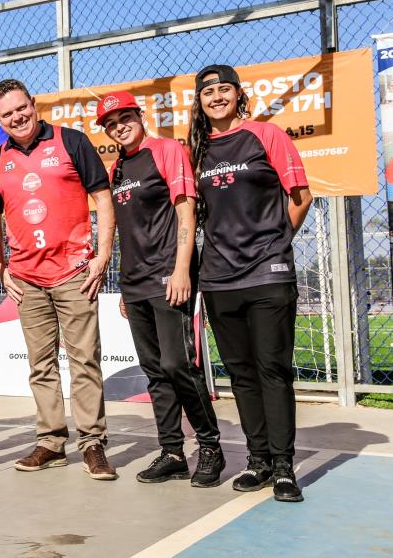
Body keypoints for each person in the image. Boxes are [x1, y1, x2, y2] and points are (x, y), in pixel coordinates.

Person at [0, 79, 117, 481]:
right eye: (7, 114)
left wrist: (103, 256)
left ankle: (92, 442)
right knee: (40, 366)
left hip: (74, 272)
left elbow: (104, 200)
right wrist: (0, 268)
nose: (17, 117)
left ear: (33, 105)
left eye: (21, 108)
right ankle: (52, 441)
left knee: (84, 361)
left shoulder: (71, 141)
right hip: (27, 278)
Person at [188, 64, 312, 502]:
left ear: (239, 95)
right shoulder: (197, 151)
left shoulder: (267, 135)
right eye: (208, 92)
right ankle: (257, 461)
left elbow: (301, 197)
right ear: (199, 101)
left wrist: (275, 245)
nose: (217, 97)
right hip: (219, 278)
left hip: (267, 274)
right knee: (240, 374)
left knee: (272, 370)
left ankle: (283, 467)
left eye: (225, 90)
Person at [96, 91, 224, 487]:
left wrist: (183, 269)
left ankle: (210, 447)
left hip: (170, 276)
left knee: (178, 365)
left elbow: (186, 211)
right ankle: (171, 451)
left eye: (125, 117)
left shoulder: (166, 150)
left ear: (139, 115)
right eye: (111, 123)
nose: (119, 126)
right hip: (135, 284)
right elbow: (127, 232)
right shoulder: (116, 168)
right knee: (154, 372)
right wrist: (123, 285)